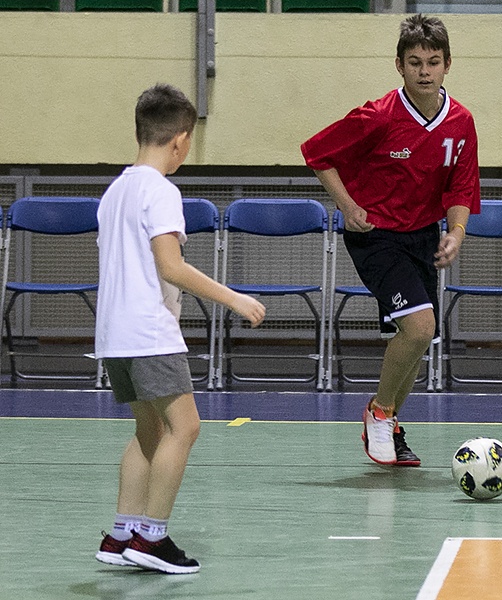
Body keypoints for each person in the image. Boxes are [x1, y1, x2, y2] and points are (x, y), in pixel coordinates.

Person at [94, 84, 266, 574]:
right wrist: (233, 298)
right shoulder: (161, 191)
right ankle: (152, 539)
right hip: (149, 333)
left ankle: (121, 533)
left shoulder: (116, 191)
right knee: (185, 427)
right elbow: (170, 266)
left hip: (114, 335)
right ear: (181, 141)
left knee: (148, 429)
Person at [301, 14, 480, 467]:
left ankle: (391, 422)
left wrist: (456, 232)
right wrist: (346, 205)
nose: (424, 70)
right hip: (375, 235)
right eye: (415, 62)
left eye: (433, 62)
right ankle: (379, 413)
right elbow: (317, 153)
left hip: (423, 236)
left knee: (421, 335)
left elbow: (461, 187)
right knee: (419, 326)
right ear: (399, 66)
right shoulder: (378, 116)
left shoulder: (460, 122)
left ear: (447, 65)